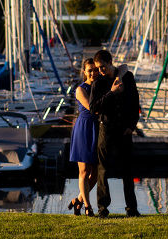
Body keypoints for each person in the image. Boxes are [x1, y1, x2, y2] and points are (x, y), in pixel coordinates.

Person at [88, 49, 141, 218]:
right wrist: (112, 93)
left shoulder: (128, 77)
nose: (100, 70)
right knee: (103, 169)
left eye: (102, 67)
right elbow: (93, 108)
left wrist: (131, 126)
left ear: (110, 62)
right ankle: (102, 209)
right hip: (106, 129)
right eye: (98, 68)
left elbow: (135, 103)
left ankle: (132, 209)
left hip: (124, 130)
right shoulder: (98, 83)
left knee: (128, 170)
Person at [67, 58, 99, 216]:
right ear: (84, 72)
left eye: (95, 69)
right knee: (84, 171)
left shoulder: (100, 86)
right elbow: (92, 109)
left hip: (97, 128)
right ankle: (88, 206)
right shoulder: (81, 89)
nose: (93, 73)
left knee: (96, 174)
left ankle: (77, 201)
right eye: (90, 70)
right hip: (85, 128)